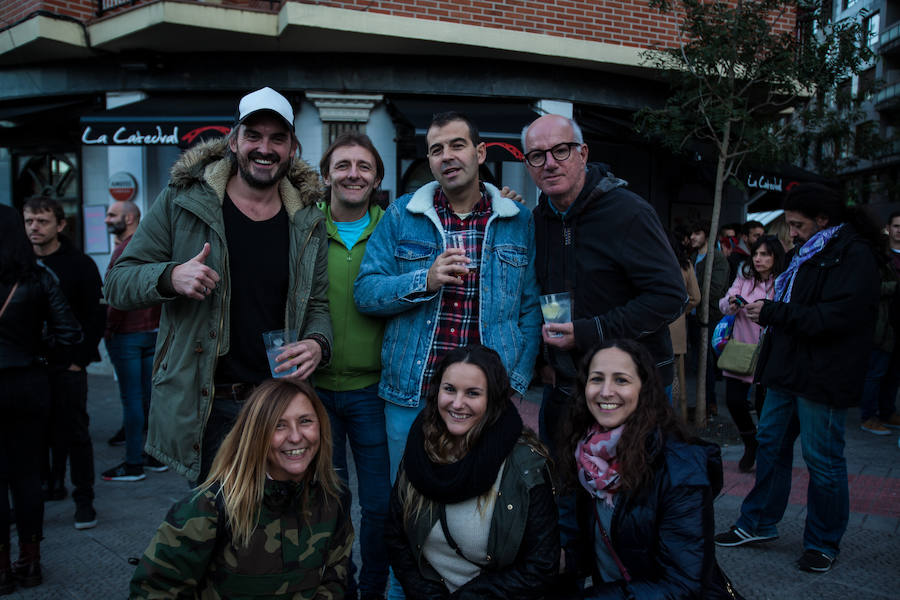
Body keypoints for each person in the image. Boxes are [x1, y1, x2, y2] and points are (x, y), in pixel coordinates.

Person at [105, 87, 333, 484]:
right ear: (233, 141)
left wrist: (317, 343)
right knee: (215, 527)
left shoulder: (307, 219)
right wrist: (170, 276)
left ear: (292, 148)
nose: (265, 148)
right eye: (254, 136)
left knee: (278, 525)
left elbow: (318, 303)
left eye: (278, 138)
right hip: (211, 404)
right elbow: (117, 282)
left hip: (278, 401)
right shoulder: (183, 201)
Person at [354, 111, 541, 478]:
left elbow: (530, 309)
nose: (447, 156)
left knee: (484, 507)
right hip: (413, 394)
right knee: (408, 506)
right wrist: (425, 280)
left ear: (481, 153)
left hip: (487, 398)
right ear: (429, 160)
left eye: (458, 145)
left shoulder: (518, 219)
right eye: (436, 149)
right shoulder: (401, 215)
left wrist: (513, 383)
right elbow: (366, 291)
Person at [715, 183, 881, 574]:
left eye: (797, 224)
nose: (791, 232)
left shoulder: (854, 254)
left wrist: (773, 313)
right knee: (770, 444)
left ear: (822, 220)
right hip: (786, 370)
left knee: (822, 460)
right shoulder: (805, 252)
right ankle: (757, 522)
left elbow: (837, 318)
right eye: (789, 224)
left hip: (822, 375)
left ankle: (823, 542)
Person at [521, 114, 685, 451]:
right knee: (564, 492)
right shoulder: (538, 221)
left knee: (632, 493)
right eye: (537, 155)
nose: (549, 163)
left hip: (634, 386)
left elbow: (670, 297)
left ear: (583, 154)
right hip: (567, 387)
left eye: (561, 151)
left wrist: (588, 331)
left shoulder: (629, 213)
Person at [130, 378, 353, 599]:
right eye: (279, 425)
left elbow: (335, 581)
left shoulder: (333, 498)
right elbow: (153, 590)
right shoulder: (210, 507)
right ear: (256, 434)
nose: (295, 437)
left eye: (305, 421)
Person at [561, 339, 737, 599]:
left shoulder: (680, 468)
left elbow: (683, 585)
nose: (606, 391)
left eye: (621, 380)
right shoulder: (585, 456)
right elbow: (599, 546)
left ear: (644, 389)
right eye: (596, 379)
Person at [385, 345, 558, 600]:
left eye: (473, 393)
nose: (457, 403)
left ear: (493, 400)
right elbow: (395, 535)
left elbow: (541, 565)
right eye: (449, 389)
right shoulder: (420, 446)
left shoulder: (524, 463)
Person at [316, 133, 391, 600]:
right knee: (330, 501)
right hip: (314, 390)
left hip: (373, 392)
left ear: (377, 178)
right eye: (343, 165)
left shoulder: (394, 229)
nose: (353, 174)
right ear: (327, 175)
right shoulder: (303, 227)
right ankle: (335, 585)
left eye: (364, 166)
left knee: (380, 504)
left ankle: (373, 588)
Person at [1, 204, 81, 594]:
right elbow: (69, 333)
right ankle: (30, 561)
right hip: (30, 383)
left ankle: (2, 567)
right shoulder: (37, 277)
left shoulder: (37, 277)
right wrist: (41, 353)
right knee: (27, 476)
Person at [23, 196, 105, 530]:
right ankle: (48, 485)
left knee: (75, 432)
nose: (34, 228)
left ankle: (84, 499)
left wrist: (79, 360)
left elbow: (95, 315)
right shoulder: (19, 261)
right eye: (29, 221)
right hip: (31, 365)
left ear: (60, 225)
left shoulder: (79, 264)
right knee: (34, 432)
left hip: (67, 364)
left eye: (42, 221)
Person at [100, 200, 166, 482]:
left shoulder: (125, 250)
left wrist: (109, 329)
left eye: (112, 215)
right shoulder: (154, 245)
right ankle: (154, 455)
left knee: (132, 399)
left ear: (129, 218)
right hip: (152, 333)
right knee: (149, 398)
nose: (106, 219)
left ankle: (134, 462)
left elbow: (115, 298)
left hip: (128, 334)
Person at [718, 236, 786, 472]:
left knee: (766, 406)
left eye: (765, 254)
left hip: (772, 353)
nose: (758, 258)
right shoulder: (744, 276)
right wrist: (731, 304)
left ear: (776, 257)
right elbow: (724, 303)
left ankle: (765, 452)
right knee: (734, 401)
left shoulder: (784, 280)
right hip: (742, 350)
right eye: (756, 253)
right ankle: (750, 442)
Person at [857, 211, 900, 436]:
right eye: (896, 226)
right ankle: (868, 416)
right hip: (882, 324)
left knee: (894, 372)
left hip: (896, 324)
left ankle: (887, 411)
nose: (899, 231)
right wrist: (895, 288)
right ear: (888, 228)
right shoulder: (879, 255)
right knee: (876, 371)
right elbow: (869, 287)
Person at [687, 219, 729, 416]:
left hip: (710, 316)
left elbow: (716, 289)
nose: (693, 237)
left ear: (707, 235)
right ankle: (704, 403)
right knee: (698, 362)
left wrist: (694, 298)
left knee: (707, 362)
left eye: (697, 233)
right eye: (691, 234)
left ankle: (710, 403)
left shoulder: (717, 258)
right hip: (694, 316)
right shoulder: (693, 256)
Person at [666, 230, 701, 412]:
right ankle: (678, 420)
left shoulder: (650, 262)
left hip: (648, 328)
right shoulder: (685, 265)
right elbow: (695, 297)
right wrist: (681, 312)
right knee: (676, 378)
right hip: (676, 330)